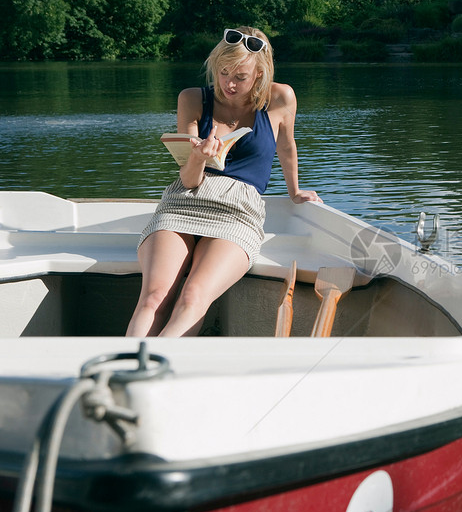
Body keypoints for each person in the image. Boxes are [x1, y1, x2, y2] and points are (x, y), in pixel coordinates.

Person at [126, 26, 320, 337]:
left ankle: (154, 370)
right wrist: (198, 157)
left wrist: (295, 192)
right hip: (183, 202)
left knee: (193, 297)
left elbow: (286, 146)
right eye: (223, 72)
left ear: (259, 74)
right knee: (153, 298)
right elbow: (189, 180)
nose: (229, 82)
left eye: (240, 76)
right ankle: (128, 368)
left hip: (238, 211)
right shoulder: (192, 99)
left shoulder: (280, 98)